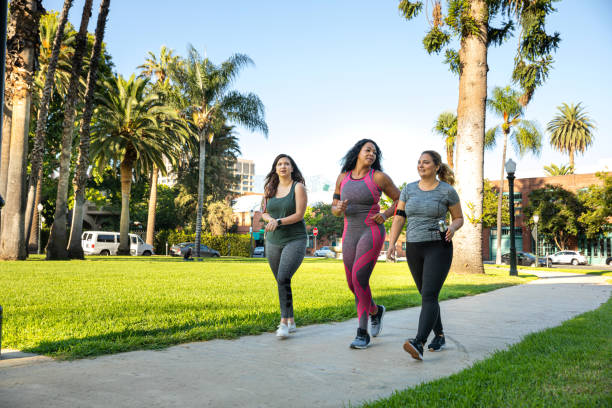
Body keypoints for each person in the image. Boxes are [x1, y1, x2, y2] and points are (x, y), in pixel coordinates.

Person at [387, 150, 464, 360]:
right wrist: (392, 243)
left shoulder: (447, 191)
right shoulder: (408, 190)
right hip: (414, 247)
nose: (421, 165)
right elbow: (399, 217)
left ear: (436, 167)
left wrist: (453, 227)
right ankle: (439, 335)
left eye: (426, 162)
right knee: (426, 295)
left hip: (438, 246)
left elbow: (459, 218)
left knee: (429, 294)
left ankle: (419, 342)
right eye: (419, 162)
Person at [332, 139, 400, 349]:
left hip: (371, 230)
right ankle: (375, 310)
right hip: (349, 232)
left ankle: (362, 333)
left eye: (375, 152)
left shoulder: (378, 177)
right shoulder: (343, 177)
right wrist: (339, 207)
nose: (371, 154)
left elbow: (401, 199)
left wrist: (386, 214)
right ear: (357, 153)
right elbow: (333, 208)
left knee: (360, 278)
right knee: (352, 284)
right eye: (367, 150)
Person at [260, 154, 308, 339]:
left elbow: (299, 215)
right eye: (279, 164)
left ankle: (284, 323)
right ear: (275, 168)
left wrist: (278, 221)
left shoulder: (298, 187)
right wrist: (270, 219)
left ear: (292, 168)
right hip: (273, 240)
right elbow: (263, 212)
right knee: (281, 281)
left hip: (295, 239)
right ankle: (292, 320)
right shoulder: (269, 188)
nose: (283, 166)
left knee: (283, 277)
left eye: (286, 163)